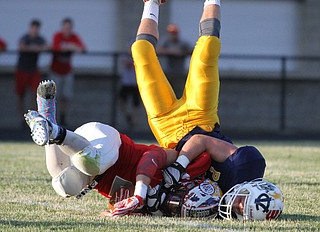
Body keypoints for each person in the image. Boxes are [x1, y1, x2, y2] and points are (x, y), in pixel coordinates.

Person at [131, 0, 283, 220]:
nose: (240, 208)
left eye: (244, 211)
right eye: (245, 204)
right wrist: (179, 168)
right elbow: (202, 141)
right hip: (200, 117)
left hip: (167, 130)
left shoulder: (222, 210)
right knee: (207, 50)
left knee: (140, 54)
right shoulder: (246, 168)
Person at [25, 80, 211, 217]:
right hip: (104, 143)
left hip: (85, 159)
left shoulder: (153, 207)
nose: (175, 203)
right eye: (180, 201)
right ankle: (55, 131)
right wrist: (140, 194)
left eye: (177, 207)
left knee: (65, 184)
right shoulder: (174, 169)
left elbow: (112, 207)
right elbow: (152, 156)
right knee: (92, 164)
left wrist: (119, 211)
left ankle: (47, 116)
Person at [50, 17, 86, 126]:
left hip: (67, 71)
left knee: (66, 96)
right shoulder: (58, 36)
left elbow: (82, 49)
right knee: (54, 96)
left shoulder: (74, 37)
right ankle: (52, 118)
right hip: (55, 70)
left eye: (69, 28)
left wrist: (72, 47)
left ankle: (63, 117)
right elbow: (55, 48)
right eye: (65, 27)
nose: (67, 30)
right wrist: (70, 47)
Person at [15, 19, 48, 126]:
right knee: (21, 95)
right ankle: (22, 119)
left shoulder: (39, 39)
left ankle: (33, 118)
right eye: (33, 28)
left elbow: (46, 47)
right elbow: (21, 47)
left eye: (36, 29)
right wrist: (33, 48)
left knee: (35, 94)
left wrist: (35, 48)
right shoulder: (25, 38)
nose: (35, 31)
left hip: (33, 70)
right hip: (22, 69)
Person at [157, 24, 191, 98]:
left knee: (178, 93)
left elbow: (192, 50)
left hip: (178, 72)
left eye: (174, 33)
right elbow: (158, 50)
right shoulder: (165, 42)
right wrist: (171, 52)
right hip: (166, 72)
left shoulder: (182, 43)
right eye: (171, 33)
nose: (173, 35)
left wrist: (181, 53)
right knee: (166, 93)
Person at [118, 53, 141, 129]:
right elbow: (127, 63)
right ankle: (128, 115)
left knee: (136, 103)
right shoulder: (125, 55)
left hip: (135, 83)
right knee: (121, 101)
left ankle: (133, 120)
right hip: (126, 83)